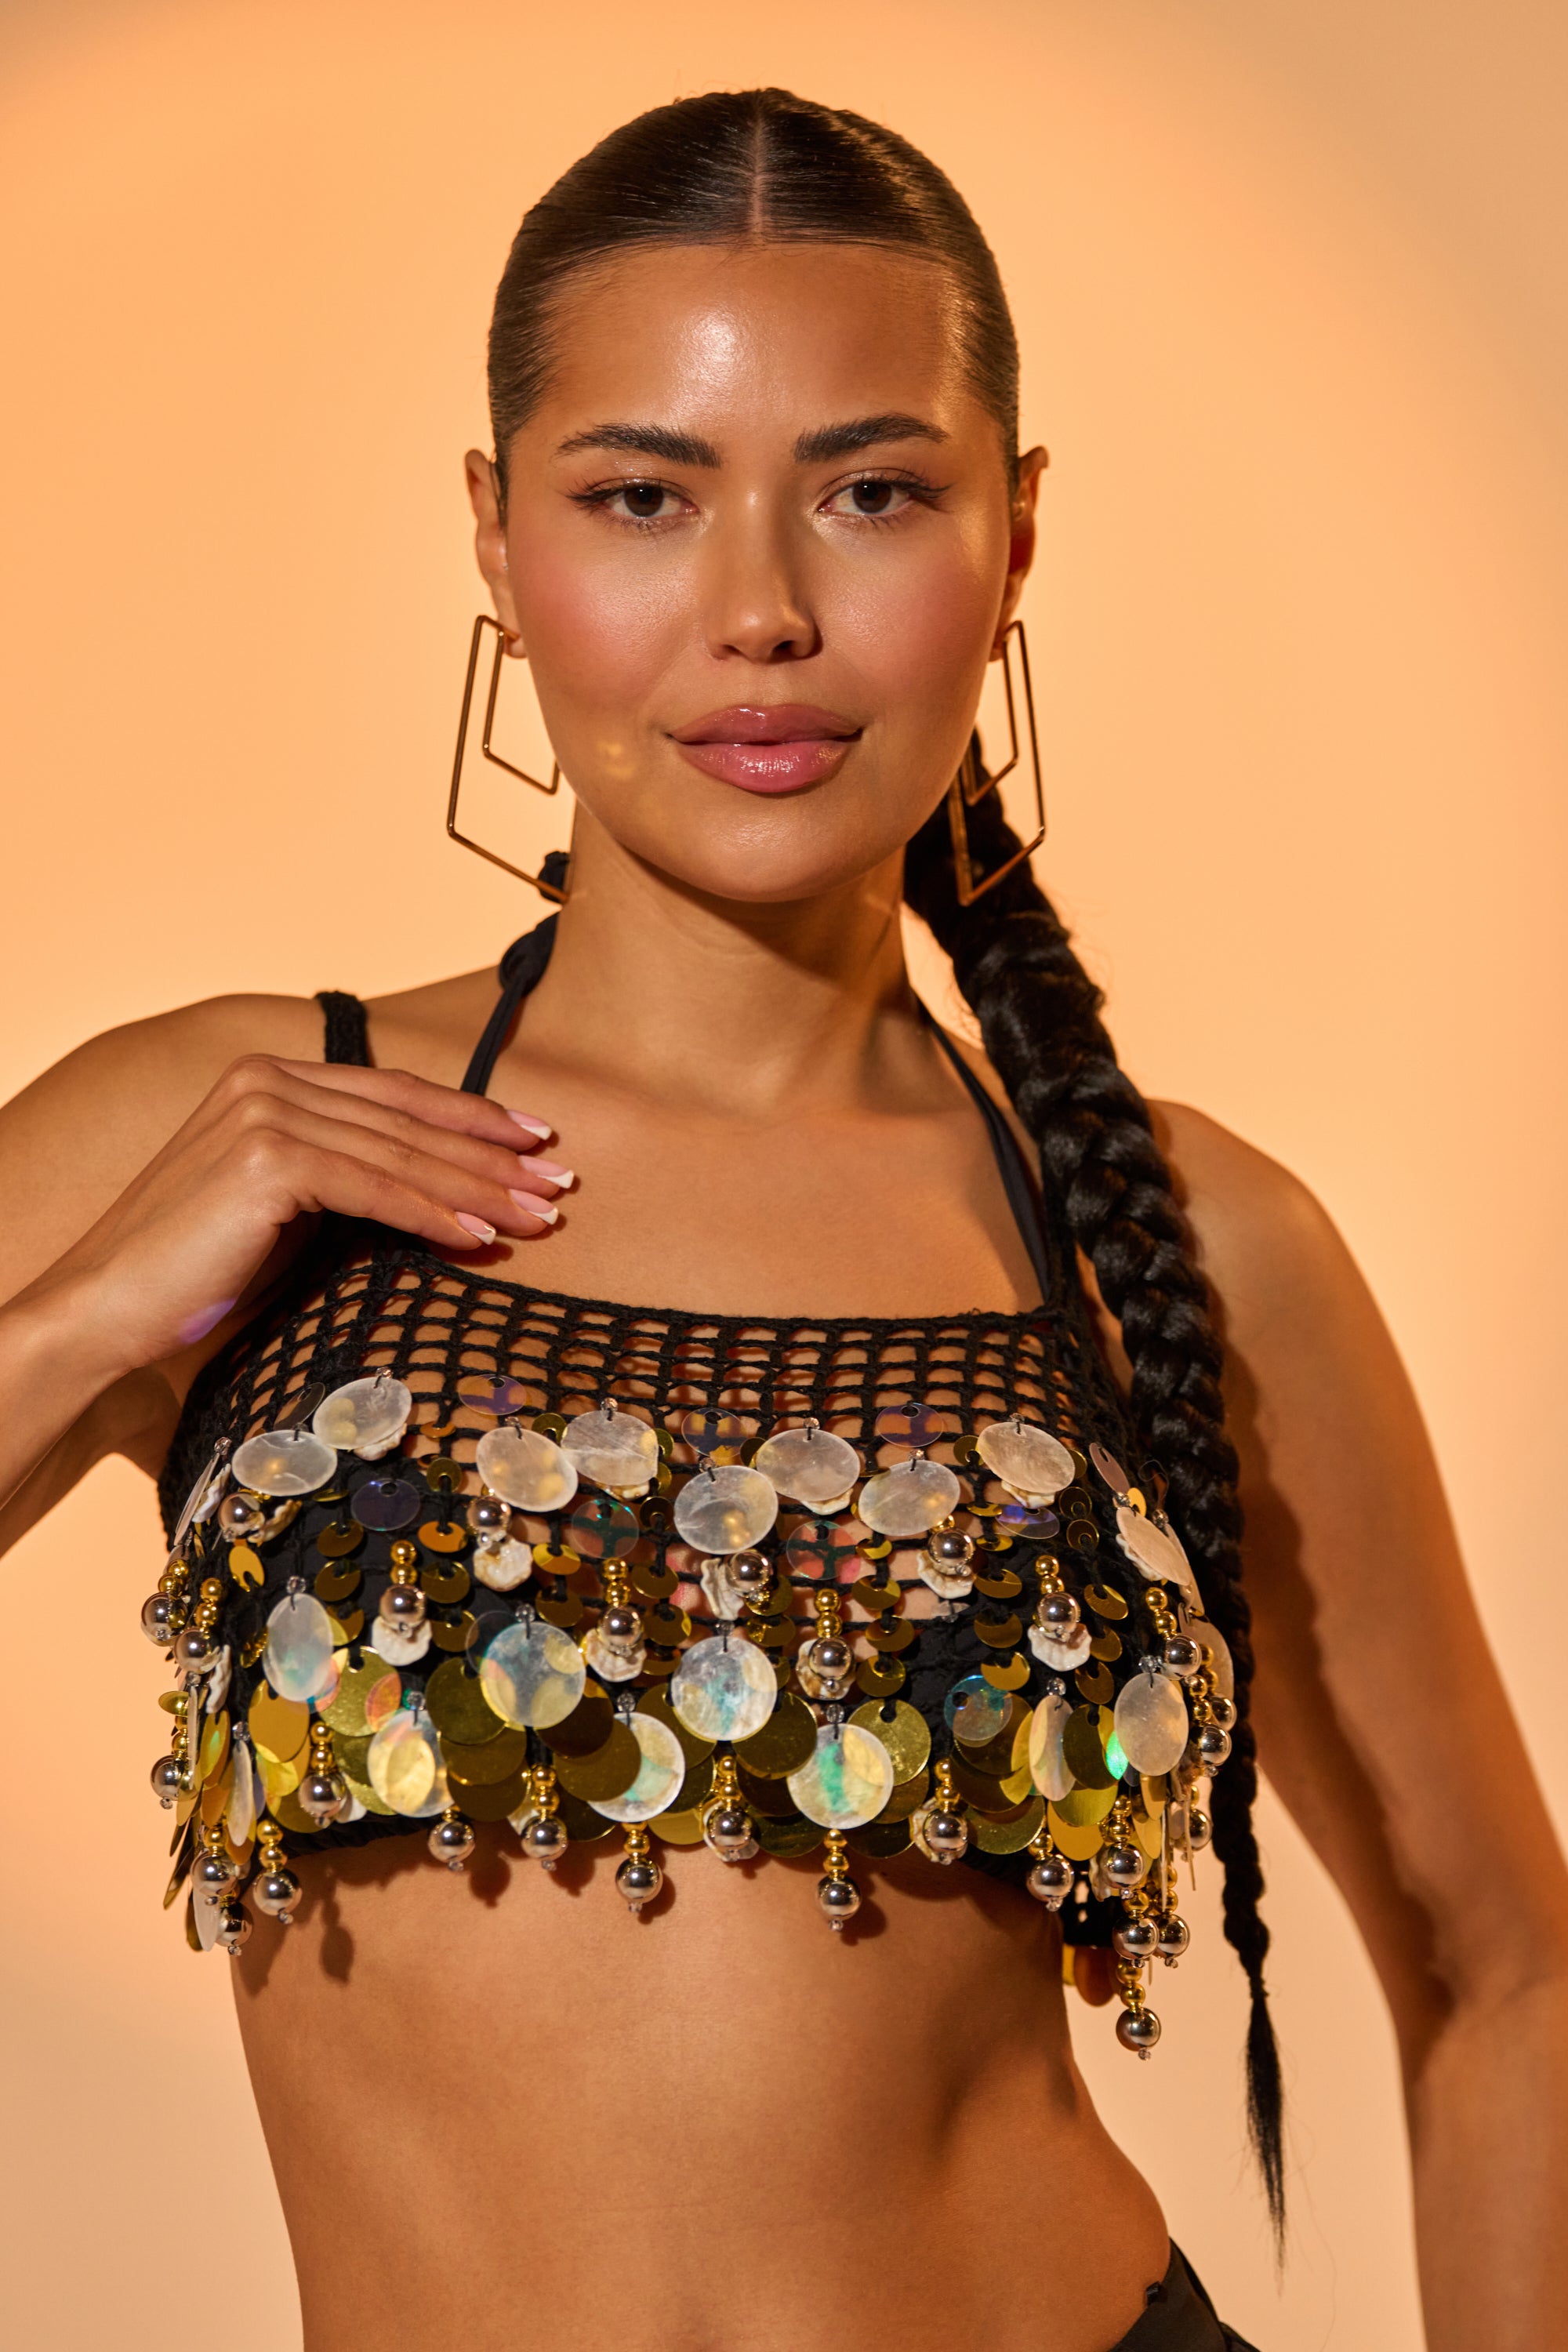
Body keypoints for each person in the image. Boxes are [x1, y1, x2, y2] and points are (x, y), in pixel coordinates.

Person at [1, 85, 1562, 2352]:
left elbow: (1507, 1974)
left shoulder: (1177, 1238)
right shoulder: (245, 1126)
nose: (759, 613)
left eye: (874, 493)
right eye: (641, 496)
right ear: (493, 531)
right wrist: (84, 1316)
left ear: (1017, 536)